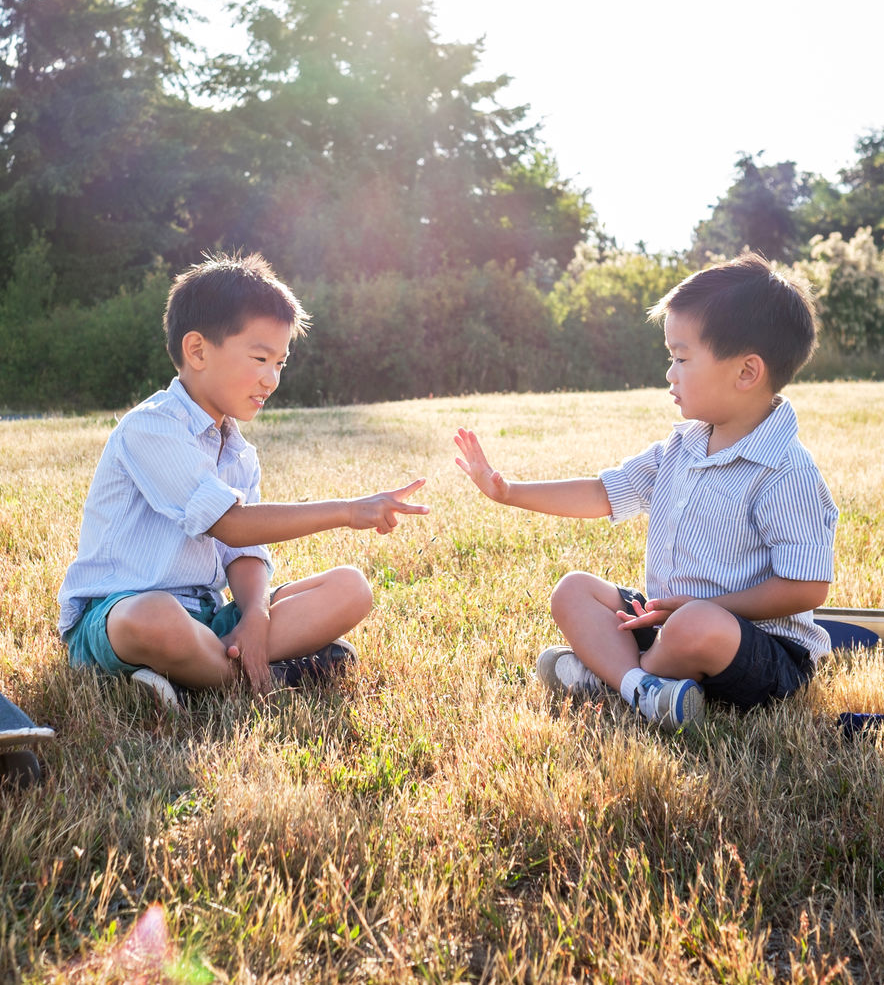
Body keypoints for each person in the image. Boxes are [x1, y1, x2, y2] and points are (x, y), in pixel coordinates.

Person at [453, 252, 836, 730]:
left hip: (759, 652)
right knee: (573, 590)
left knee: (695, 624)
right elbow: (603, 493)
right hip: (667, 622)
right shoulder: (681, 446)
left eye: (681, 358)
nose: (670, 373)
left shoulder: (785, 470)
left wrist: (703, 609)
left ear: (746, 372)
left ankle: (615, 678)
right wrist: (508, 491)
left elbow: (806, 587)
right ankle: (643, 687)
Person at [58, 252, 429, 709]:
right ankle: (268, 677)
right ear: (197, 351)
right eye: (260, 358)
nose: (271, 379)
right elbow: (231, 525)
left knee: (351, 588)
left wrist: (255, 615)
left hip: (209, 620)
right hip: (116, 618)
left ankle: (196, 675)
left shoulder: (238, 452)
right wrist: (348, 511)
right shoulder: (151, 427)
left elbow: (244, 551)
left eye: (280, 363)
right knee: (155, 615)